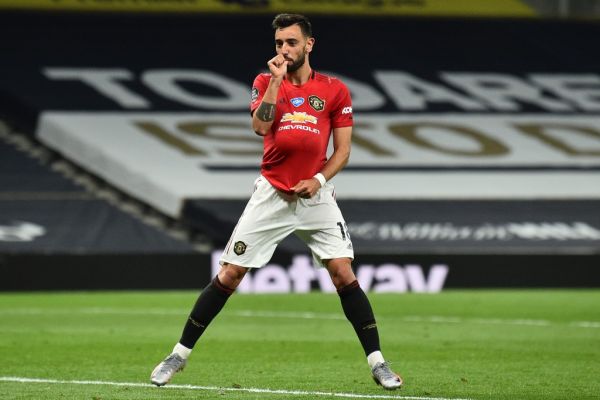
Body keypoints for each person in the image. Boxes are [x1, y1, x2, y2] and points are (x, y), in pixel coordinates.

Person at [150, 13, 402, 390]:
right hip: (271, 194)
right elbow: (260, 127)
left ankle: (378, 363)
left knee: (343, 273)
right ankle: (178, 355)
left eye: (291, 43)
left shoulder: (334, 90)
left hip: (316, 196)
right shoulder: (265, 82)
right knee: (230, 274)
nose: (284, 50)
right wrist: (276, 84)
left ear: (309, 45)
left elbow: (343, 151)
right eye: (279, 43)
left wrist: (318, 180)